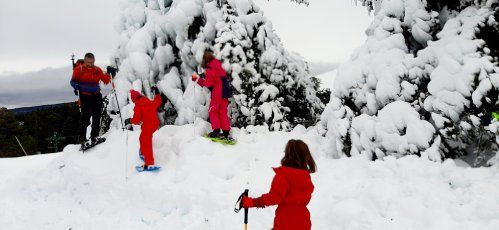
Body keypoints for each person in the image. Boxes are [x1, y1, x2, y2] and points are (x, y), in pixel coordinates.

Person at [242, 139, 316, 230]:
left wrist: (252, 202)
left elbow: (274, 197)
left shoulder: (283, 175)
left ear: (288, 155)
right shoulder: (305, 176)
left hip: (285, 221)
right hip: (303, 221)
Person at [70, 53, 111, 145]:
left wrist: (109, 73)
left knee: (97, 116)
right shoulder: (78, 70)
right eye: (88, 62)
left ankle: (94, 136)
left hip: (96, 95)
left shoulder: (97, 69)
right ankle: (82, 138)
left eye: (92, 62)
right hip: (85, 96)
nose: (90, 64)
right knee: (86, 117)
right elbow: (72, 81)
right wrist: (76, 86)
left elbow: (105, 80)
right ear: (84, 61)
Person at [191, 50, 233, 139]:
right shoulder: (218, 66)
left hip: (218, 93)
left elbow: (209, 84)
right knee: (222, 112)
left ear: (205, 60)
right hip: (225, 93)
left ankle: (216, 131)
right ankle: (226, 132)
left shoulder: (210, 68)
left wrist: (197, 80)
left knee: (212, 111)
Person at [125, 87, 162, 172]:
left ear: (133, 99)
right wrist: (157, 94)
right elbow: (158, 101)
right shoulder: (149, 102)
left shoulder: (138, 106)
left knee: (147, 143)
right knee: (142, 138)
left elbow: (136, 120)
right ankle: (143, 153)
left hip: (147, 127)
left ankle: (149, 164)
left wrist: (129, 120)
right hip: (154, 125)